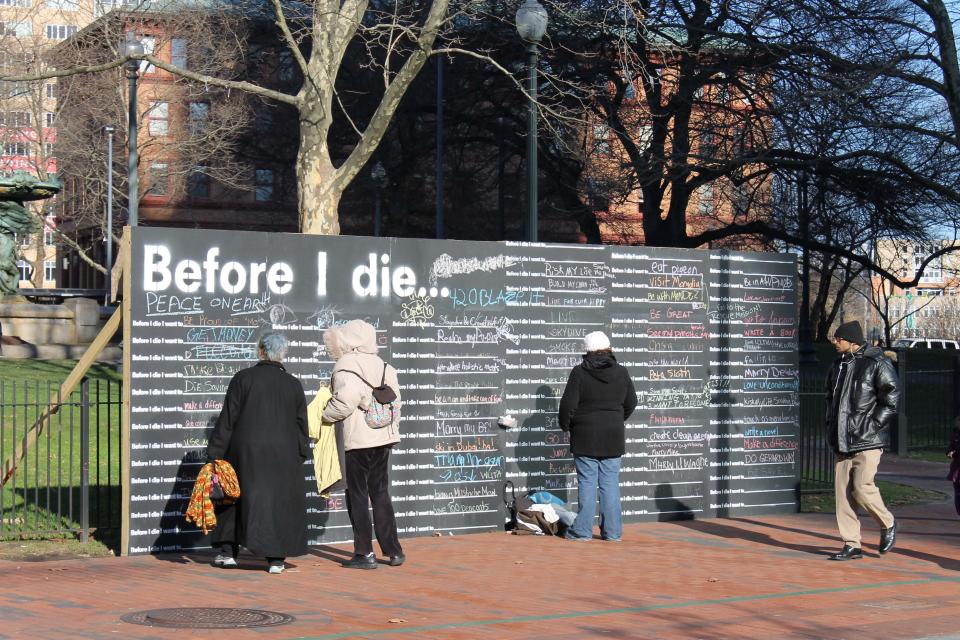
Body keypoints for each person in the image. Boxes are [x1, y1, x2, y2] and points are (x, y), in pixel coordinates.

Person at [206, 332, 309, 574]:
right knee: (278, 504)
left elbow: (228, 419)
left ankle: (228, 553)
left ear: (260, 351)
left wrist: (215, 454)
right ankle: (276, 559)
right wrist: (300, 453)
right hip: (283, 455)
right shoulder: (293, 384)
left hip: (245, 452)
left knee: (233, 498)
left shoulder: (243, 379)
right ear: (282, 354)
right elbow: (301, 425)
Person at [323, 319, 404, 569]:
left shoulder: (345, 365)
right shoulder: (384, 365)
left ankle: (364, 553)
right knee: (380, 493)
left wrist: (324, 414)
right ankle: (393, 551)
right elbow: (395, 402)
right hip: (383, 438)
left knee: (357, 495)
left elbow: (345, 401)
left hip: (357, 440)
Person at [824, 320, 899, 560]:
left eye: (839, 338)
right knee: (843, 495)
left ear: (852, 340)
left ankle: (887, 523)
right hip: (842, 439)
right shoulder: (838, 365)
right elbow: (830, 398)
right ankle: (851, 544)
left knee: (862, 487)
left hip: (867, 440)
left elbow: (891, 398)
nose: (835, 342)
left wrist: (873, 425)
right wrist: (831, 425)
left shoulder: (877, 363)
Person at [558, 330, 637, 541]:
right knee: (610, 484)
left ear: (587, 350)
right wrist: (616, 420)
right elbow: (631, 402)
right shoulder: (622, 372)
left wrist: (566, 426)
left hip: (585, 435)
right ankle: (612, 532)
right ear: (609, 348)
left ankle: (582, 531)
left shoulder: (579, 372)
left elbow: (568, 405)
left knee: (587, 483)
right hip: (613, 435)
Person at [946, 417, 960, 516]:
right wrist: (950, 452)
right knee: (958, 493)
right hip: (957, 468)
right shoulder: (955, 434)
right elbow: (951, 447)